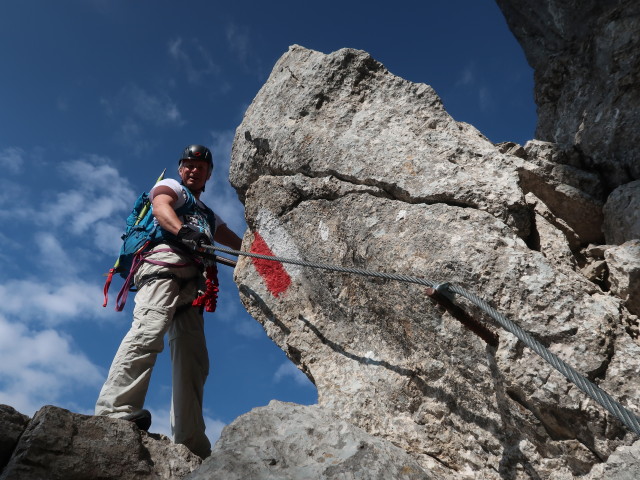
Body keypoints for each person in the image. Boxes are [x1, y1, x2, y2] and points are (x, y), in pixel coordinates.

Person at [95, 144, 242, 458]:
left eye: (200, 167)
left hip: (193, 285)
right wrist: (182, 231)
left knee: (193, 361)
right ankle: (114, 409)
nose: (193, 170)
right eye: (188, 165)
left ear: (208, 174)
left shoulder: (205, 214)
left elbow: (229, 237)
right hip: (163, 267)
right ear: (180, 169)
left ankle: (191, 442)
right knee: (148, 330)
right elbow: (161, 207)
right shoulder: (172, 188)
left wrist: (251, 255)